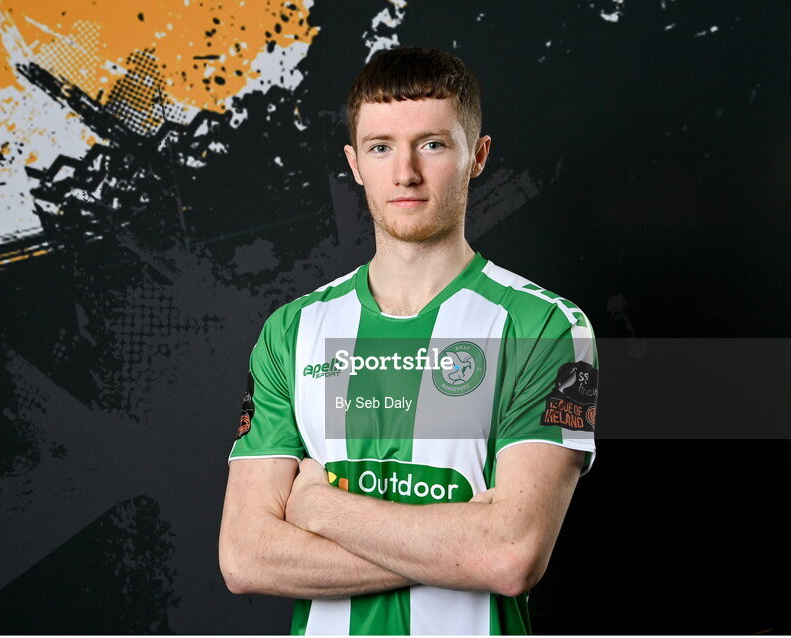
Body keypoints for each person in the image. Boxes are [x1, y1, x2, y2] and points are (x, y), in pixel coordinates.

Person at [218, 46, 598, 635]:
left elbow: (510, 556)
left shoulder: (545, 328)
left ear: (478, 155)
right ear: (354, 161)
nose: (405, 173)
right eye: (381, 147)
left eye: (433, 144)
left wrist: (320, 508)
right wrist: (457, 545)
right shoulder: (292, 331)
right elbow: (246, 556)